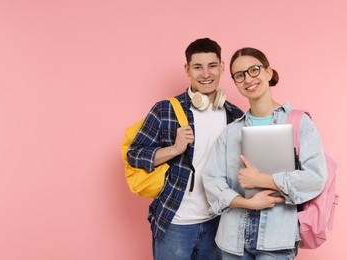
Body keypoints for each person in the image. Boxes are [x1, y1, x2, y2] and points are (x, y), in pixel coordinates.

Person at [202, 47, 328, 259]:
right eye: (239, 76)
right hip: (232, 239)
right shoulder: (231, 132)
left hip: (277, 240)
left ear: (268, 72)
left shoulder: (299, 123)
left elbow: (315, 178)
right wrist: (246, 203)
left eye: (254, 70)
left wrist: (264, 179)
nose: (248, 79)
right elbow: (211, 180)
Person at [127, 38, 243, 260]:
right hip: (175, 222)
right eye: (198, 67)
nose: (205, 74)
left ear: (221, 67)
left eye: (211, 66)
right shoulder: (166, 110)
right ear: (187, 69)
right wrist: (174, 149)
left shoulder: (234, 115)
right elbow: (134, 154)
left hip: (217, 222)